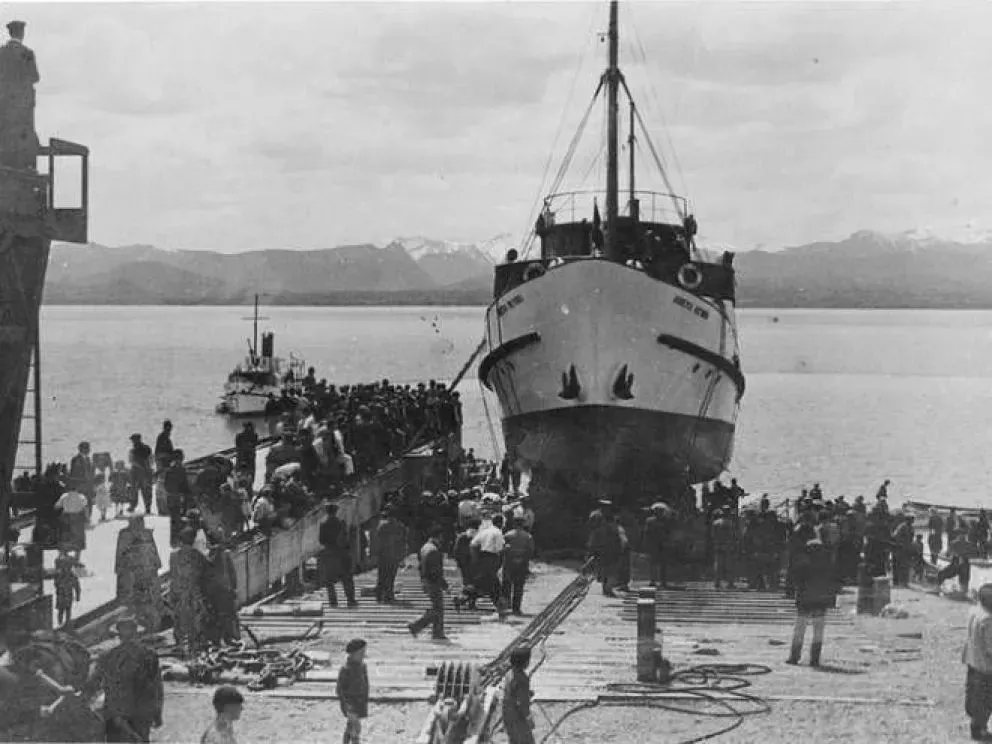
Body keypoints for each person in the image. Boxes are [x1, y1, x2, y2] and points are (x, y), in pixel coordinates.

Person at [84, 615, 164, 743]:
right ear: (136, 633)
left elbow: (92, 683)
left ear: (118, 635)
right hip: (141, 714)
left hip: (115, 714)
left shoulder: (107, 656)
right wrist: (158, 713)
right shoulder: (150, 655)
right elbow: (157, 686)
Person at [787, 538, 838, 667]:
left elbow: (796, 581)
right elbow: (832, 584)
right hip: (821, 601)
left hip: (805, 599)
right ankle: (815, 658)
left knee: (800, 628)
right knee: (818, 631)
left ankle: (794, 656)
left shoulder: (803, 563)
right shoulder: (827, 564)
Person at [0, 20, 40, 171]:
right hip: (23, 108)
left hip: (3, 105)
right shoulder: (27, 54)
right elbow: (35, 77)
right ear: (22, 34)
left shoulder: (1, 53)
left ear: (10, 33)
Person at [169, 527, 210, 655]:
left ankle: (180, 645)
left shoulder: (174, 555)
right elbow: (206, 573)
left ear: (181, 540)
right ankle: (193, 646)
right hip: (193, 593)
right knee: (194, 620)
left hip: (179, 592)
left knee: (179, 620)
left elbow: (173, 575)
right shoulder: (198, 555)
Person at [408, 526, 448, 640]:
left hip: (426, 580)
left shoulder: (425, 547)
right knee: (438, 608)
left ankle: (436, 631)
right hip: (432, 582)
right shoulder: (433, 551)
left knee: (437, 607)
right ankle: (418, 626)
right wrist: (444, 585)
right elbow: (435, 571)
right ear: (438, 536)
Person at [964, 584, 992, 741]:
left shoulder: (975, 611)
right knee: (985, 699)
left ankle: (976, 724)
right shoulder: (988, 619)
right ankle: (979, 730)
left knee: (974, 695)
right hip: (986, 667)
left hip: (972, 660)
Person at [320, 503, 357, 608]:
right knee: (347, 577)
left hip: (330, 554)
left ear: (327, 512)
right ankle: (350, 600)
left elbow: (321, 540)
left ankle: (333, 602)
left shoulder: (323, 524)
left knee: (329, 580)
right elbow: (346, 539)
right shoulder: (341, 523)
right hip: (343, 553)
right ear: (336, 511)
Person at [336, 638, 369, 744]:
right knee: (356, 728)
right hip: (350, 702)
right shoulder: (346, 669)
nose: (363, 655)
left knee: (350, 726)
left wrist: (365, 698)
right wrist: (346, 705)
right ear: (352, 654)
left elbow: (366, 682)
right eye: (361, 653)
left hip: (360, 702)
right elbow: (339, 689)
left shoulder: (362, 666)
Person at [502, 646, 535, 744]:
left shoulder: (509, 674)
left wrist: (527, 692)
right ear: (525, 662)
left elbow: (512, 692)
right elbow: (522, 702)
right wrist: (528, 718)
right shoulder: (522, 679)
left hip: (507, 714)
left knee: (514, 739)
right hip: (517, 716)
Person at [501, 517, 534, 616]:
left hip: (509, 562)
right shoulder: (528, 536)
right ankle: (516, 608)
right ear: (523, 524)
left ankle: (506, 607)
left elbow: (503, 548)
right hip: (522, 562)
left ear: (514, 524)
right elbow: (530, 550)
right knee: (518, 586)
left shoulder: (507, 535)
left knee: (506, 585)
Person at [374, 508, 407, 603]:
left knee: (381, 576)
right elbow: (403, 543)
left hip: (383, 555)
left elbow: (377, 541)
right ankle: (388, 596)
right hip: (394, 556)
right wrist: (402, 556)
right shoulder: (400, 527)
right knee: (391, 577)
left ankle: (379, 596)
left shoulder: (382, 525)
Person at [54, 549, 81, 626]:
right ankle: (65, 625)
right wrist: (78, 596)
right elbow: (77, 586)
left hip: (61, 594)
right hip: (66, 593)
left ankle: (61, 625)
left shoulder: (59, 573)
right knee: (66, 611)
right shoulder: (71, 575)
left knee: (61, 611)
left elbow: (56, 584)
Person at [128, 434, 154, 515]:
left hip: (138, 472)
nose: (133, 442)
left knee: (137, 490)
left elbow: (131, 461)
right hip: (143, 472)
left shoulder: (134, 450)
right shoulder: (146, 448)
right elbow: (151, 460)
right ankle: (146, 507)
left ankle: (135, 506)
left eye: (133, 440)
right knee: (145, 490)